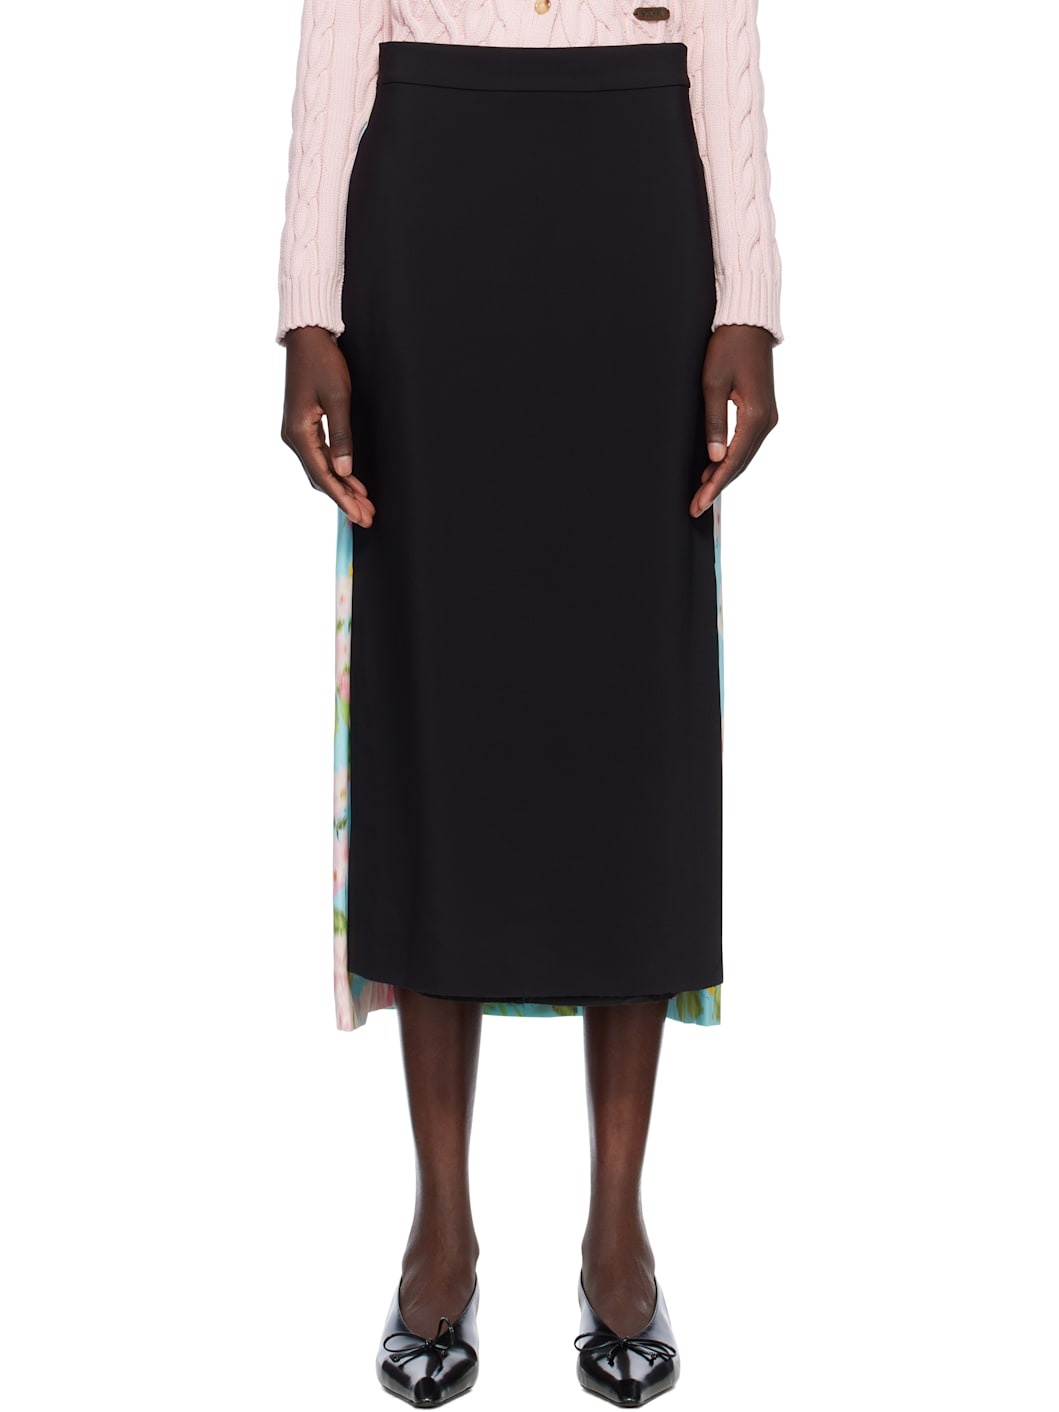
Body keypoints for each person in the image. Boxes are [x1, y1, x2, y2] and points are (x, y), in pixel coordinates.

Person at [277, 1, 781, 1404]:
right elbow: (335, 34)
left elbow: (728, 28)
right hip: (428, 199)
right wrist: (306, 307)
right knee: (436, 700)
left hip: (639, 192)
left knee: (633, 719)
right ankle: (440, 1226)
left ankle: (619, 1226)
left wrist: (750, 296)